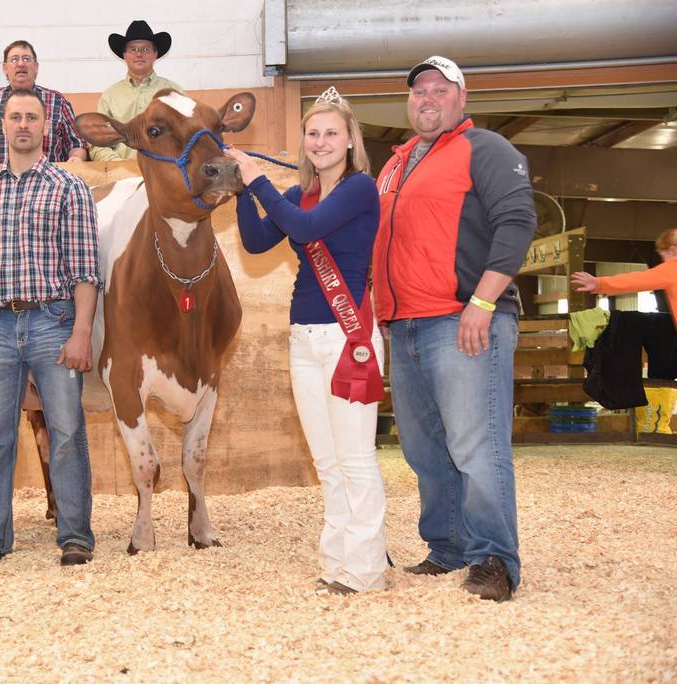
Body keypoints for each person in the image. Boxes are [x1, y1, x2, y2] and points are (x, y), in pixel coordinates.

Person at [371, 56, 536, 602]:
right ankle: (446, 546)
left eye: (440, 89)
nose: (427, 98)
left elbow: (518, 221)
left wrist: (483, 303)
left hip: (463, 318)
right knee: (424, 448)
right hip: (407, 324)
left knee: (476, 445)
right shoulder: (394, 164)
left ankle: (494, 558)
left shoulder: (486, 149)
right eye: (418, 90)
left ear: (462, 99)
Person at [225, 91, 388, 595]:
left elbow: (308, 228)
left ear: (349, 140)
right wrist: (239, 189)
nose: (321, 142)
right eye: (313, 134)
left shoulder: (360, 189)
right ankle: (337, 562)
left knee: (355, 458)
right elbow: (255, 241)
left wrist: (257, 179)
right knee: (327, 460)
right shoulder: (296, 194)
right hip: (303, 337)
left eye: (331, 133)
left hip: (347, 335)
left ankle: (366, 570)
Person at [0, 89, 101, 571]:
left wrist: (81, 333)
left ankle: (75, 535)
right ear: (2, 126)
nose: (23, 125)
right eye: (15, 117)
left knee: (67, 428)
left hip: (51, 322)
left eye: (32, 117)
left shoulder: (68, 187)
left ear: (45, 127)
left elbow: (86, 271)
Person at [0, 40, 86, 164]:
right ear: (5, 68)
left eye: (26, 59)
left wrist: (77, 159)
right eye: (14, 59)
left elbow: (77, 144)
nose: (21, 64)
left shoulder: (57, 102)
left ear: (36, 67)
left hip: (47, 186)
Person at [89, 20, 183, 161]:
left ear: (155, 54)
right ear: (124, 55)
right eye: (133, 49)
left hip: (166, 171)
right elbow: (97, 141)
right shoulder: (110, 96)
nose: (139, 54)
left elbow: (188, 134)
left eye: (145, 49)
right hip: (120, 173)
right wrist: (118, 166)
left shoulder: (173, 92)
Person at [571, 228, 677, 330]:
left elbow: (636, 281)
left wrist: (599, 283)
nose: (663, 261)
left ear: (673, 250)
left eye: (663, 255)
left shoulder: (672, 268)